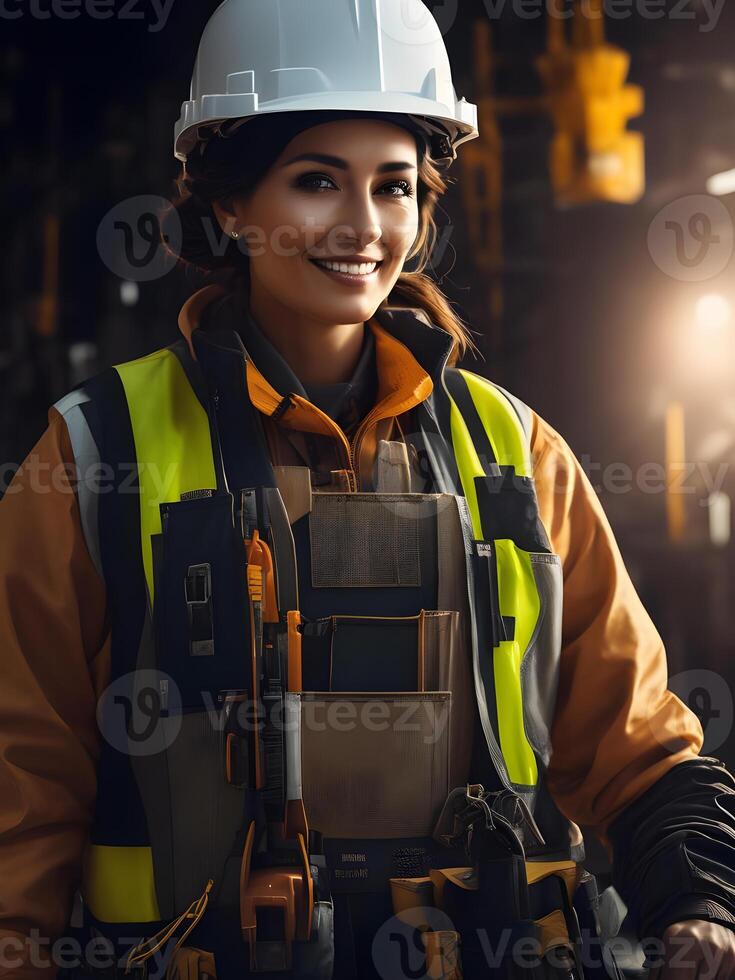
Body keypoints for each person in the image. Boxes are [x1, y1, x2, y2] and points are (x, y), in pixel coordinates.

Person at [1, 2, 735, 979]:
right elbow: (24, 781)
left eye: (395, 187)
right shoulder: (94, 457)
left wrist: (701, 904)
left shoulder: (511, 450)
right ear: (228, 204)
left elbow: (640, 744)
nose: (362, 225)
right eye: (316, 181)